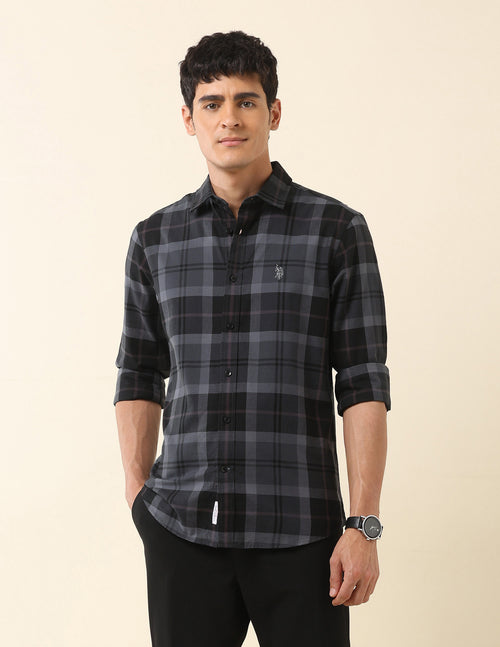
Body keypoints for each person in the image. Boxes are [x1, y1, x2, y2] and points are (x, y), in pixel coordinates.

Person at [114, 30, 390, 647]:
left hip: (304, 535)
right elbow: (138, 373)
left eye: (247, 101)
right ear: (189, 119)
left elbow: (363, 382)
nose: (229, 119)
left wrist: (363, 524)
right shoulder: (155, 239)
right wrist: (138, 496)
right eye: (211, 103)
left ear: (275, 112)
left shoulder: (336, 231)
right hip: (180, 530)